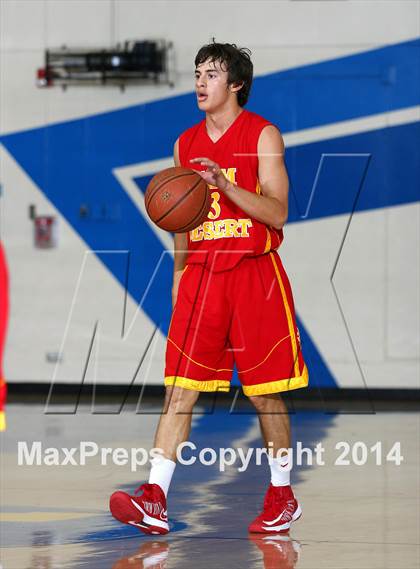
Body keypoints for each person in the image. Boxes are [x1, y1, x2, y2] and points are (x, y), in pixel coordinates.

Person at [110, 41, 308, 536]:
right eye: (197, 73)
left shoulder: (263, 135)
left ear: (236, 83)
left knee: (266, 394)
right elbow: (182, 223)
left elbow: (279, 212)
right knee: (180, 389)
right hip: (201, 277)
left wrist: (225, 186)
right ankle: (155, 496)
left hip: (253, 273)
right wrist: (180, 278)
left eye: (212, 74)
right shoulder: (183, 144)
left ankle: (282, 494)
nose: (200, 82)